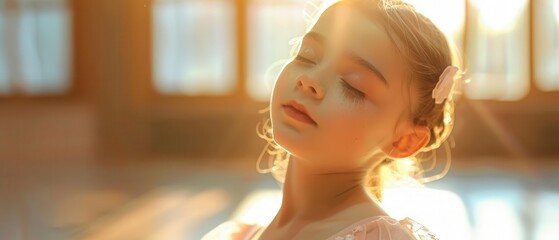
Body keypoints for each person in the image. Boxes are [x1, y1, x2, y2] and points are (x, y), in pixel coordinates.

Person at [204, 0, 463, 239]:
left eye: (353, 86)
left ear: (404, 140)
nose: (309, 81)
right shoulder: (234, 235)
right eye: (307, 56)